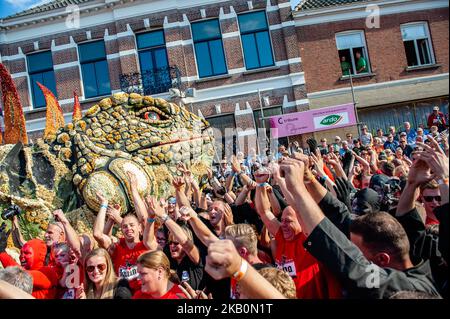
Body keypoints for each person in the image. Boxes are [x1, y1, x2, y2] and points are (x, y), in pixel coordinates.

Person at [278, 157, 441, 298]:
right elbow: (340, 214)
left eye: (355, 249)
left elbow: (345, 257)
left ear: (382, 259)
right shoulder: (415, 256)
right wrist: (308, 178)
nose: (348, 247)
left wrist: (298, 189)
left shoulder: (398, 290)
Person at [254, 184, 341, 299]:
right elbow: (264, 212)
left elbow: (303, 210)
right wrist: (260, 185)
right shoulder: (282, 237)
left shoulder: (308, 241)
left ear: (300, 221)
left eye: (288, 221)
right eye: (282, 220)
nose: (283, 225)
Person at [93, 191, 157, 293]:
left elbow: (144, 219)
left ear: (140, 228)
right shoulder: (117, 247)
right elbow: (97, 234)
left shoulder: (146, 245)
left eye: (132, 225)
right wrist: (104, 205)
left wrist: (134, 189)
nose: (128, 228)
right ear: (121, 230)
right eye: (125, 226)